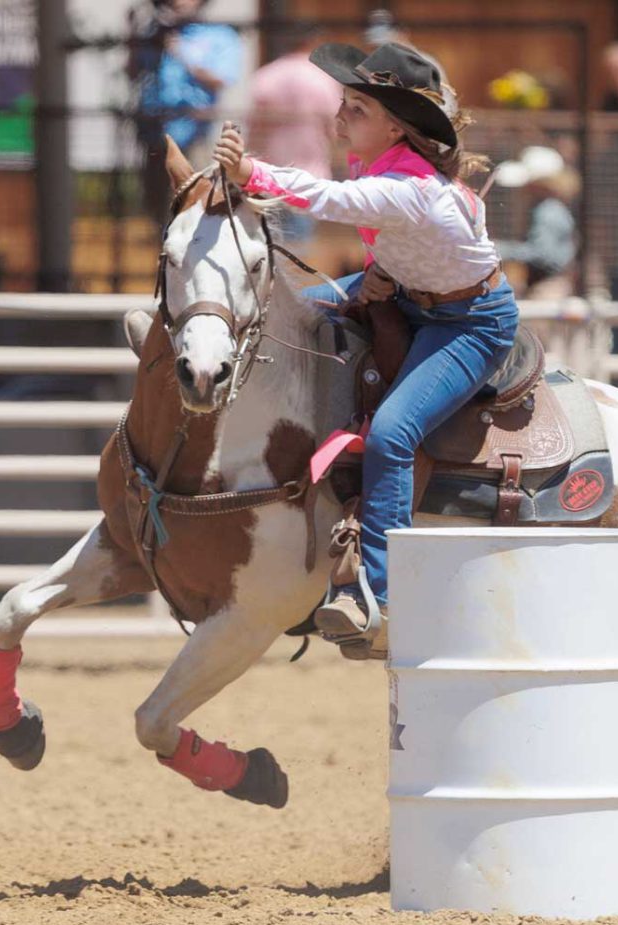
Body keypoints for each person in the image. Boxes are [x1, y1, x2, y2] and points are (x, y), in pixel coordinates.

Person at [213, 43, 518, 642]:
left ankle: (375, 590)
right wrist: (383, 270)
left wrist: (252, 173)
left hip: (470, 324)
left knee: (395, 433)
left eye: (357, 107)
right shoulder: (384, 170)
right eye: (345, 103)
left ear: (395, 127)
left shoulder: (411, 188)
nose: (341, 116)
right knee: (293, 318)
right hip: (415, 295)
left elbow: (337, 202)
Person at [127, 0, 242, 223]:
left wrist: (181, 53)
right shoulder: (154, 33)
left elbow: (222, 78)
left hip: (195, 130)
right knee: (157, 202)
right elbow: (133, 73)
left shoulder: (219, 34)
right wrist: (133, 36)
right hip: (155, 132)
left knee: (196, 197)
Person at [246, 23, 341, 243]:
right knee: (298, 248)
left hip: (268, 174)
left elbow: (255, 126)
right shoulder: (322, 78)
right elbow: (335, 129)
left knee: (269, 243)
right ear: (312, 43)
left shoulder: (267, 75)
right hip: (309, 175)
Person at [494, 145, 579, 298]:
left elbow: (543, 254)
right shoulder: (550, 208)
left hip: (548, 288)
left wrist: (497, 249)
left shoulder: (548, 211)